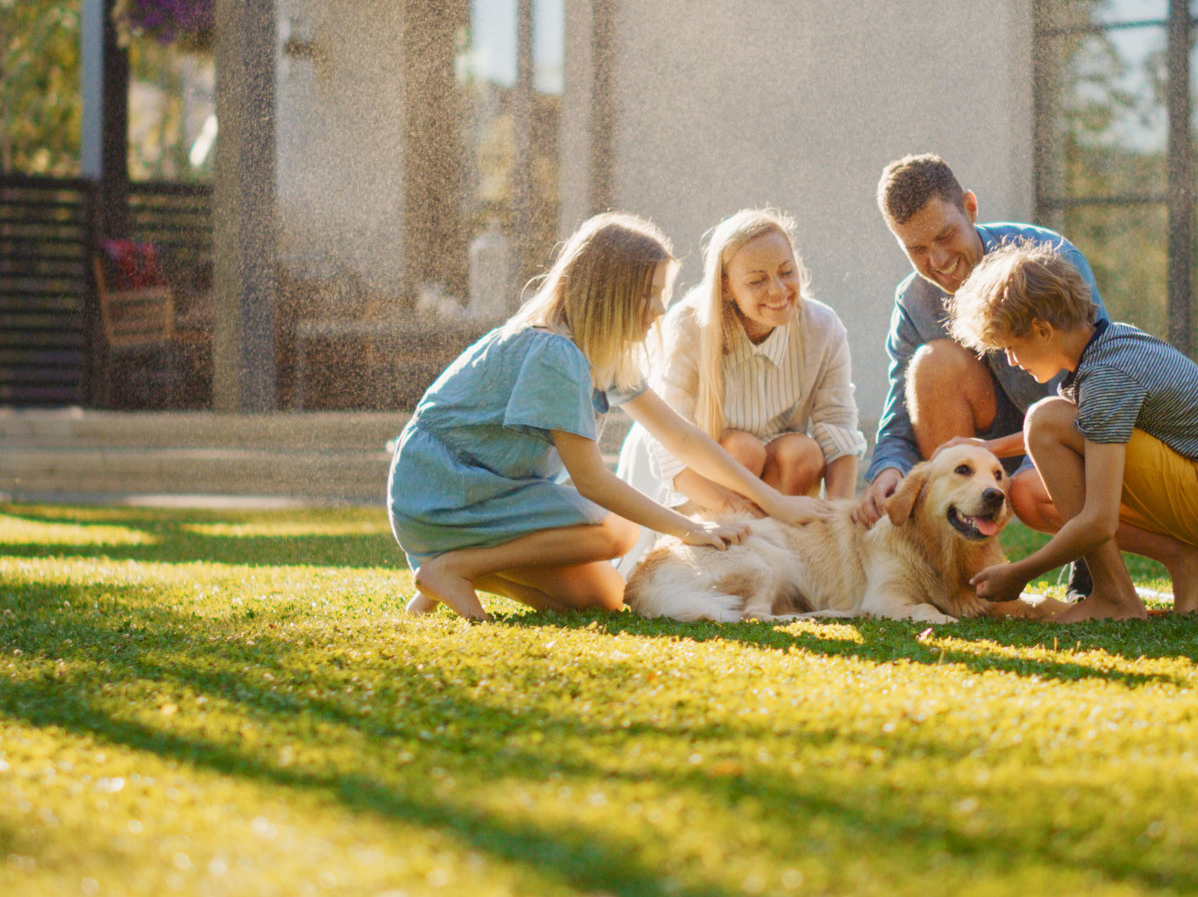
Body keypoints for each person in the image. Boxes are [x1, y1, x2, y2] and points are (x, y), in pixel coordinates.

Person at [387, 211, 833, 622]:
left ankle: (443, 572)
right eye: (649, 295)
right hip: (442, 491)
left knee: (605, 598)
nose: (660, 309)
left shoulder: (603, 354)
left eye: (662, 294)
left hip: (488, 495)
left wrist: (773, 502)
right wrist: (688, 528)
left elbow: (681, 437)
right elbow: (592, 482)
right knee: (617, 531)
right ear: (609, 294)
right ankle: (458, 566)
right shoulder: (554, 353)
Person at [946, 242, 1198, 621]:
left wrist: (1020, 574)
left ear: (1043, 330)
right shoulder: (1107, 347)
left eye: (1012, 347)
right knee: (1030, 492)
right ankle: (1188, 558)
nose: (1012, 361)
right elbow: (1083, 429)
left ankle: (1115, 597)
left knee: (1044, 418)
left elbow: (1099, 519)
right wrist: (991, 447)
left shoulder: (1106, 377)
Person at [851, 154, 1107, 590]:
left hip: (1064, 438)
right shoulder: (913, 302)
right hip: (980, 448)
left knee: (1026, 490)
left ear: (970, 208)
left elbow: (1092, 393)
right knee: (932, 364)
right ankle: (961, 564)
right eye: (916, 249)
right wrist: (889, 470)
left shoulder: (1050, 262)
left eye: (945, 235)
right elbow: (898, 418)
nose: (937, 260)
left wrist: (1030, 470)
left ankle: (1093, 559)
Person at [615, 208, 865, 574]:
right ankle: (717, 563)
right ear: (726, 286)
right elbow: (670, 451)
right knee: (741, 449)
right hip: (688, 481)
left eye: (787, 272)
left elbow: (838, 430)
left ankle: (772, 567)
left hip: (777, 477)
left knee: (803, 451)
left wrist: (838, 530)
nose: (777, 290)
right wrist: (753, 512)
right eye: (757, 281)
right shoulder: (689, 326)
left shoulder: (822, 327)